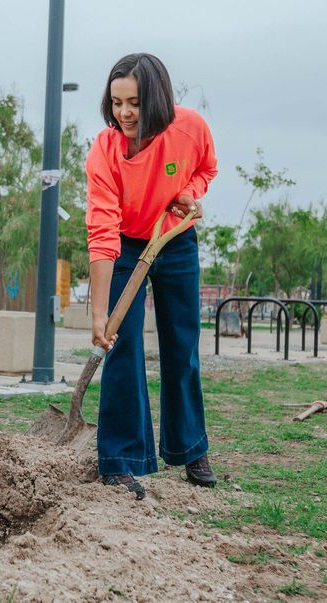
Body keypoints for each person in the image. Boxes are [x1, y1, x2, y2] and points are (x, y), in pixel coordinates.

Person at [85, 53, 219, 500]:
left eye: (136, 102)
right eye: (117, 101)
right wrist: (100, 313)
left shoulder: (190, 127)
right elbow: (102, 232)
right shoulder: (105, 152)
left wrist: (189, 192)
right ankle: (121, 460)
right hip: (126, 242)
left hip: (175, 238)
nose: (125, 112)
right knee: (121, 347)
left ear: (157, 99)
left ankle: (189, 446)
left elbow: (206, 168)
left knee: (182, 345)